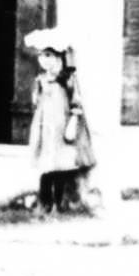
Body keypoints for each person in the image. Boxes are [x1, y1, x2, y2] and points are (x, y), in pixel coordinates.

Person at [24, 29, 96, 214]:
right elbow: (36, 102)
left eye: (49, 55)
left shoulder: (67, 79)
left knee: (62, 161)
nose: (45, 60)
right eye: (42, 56)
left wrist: (73, 120)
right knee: (47, 163)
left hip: (62, 124)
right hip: (45, 125)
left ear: (58, 57)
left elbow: (76, 102)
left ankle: (61, 201)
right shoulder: (41, 80)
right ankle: (45, 203)